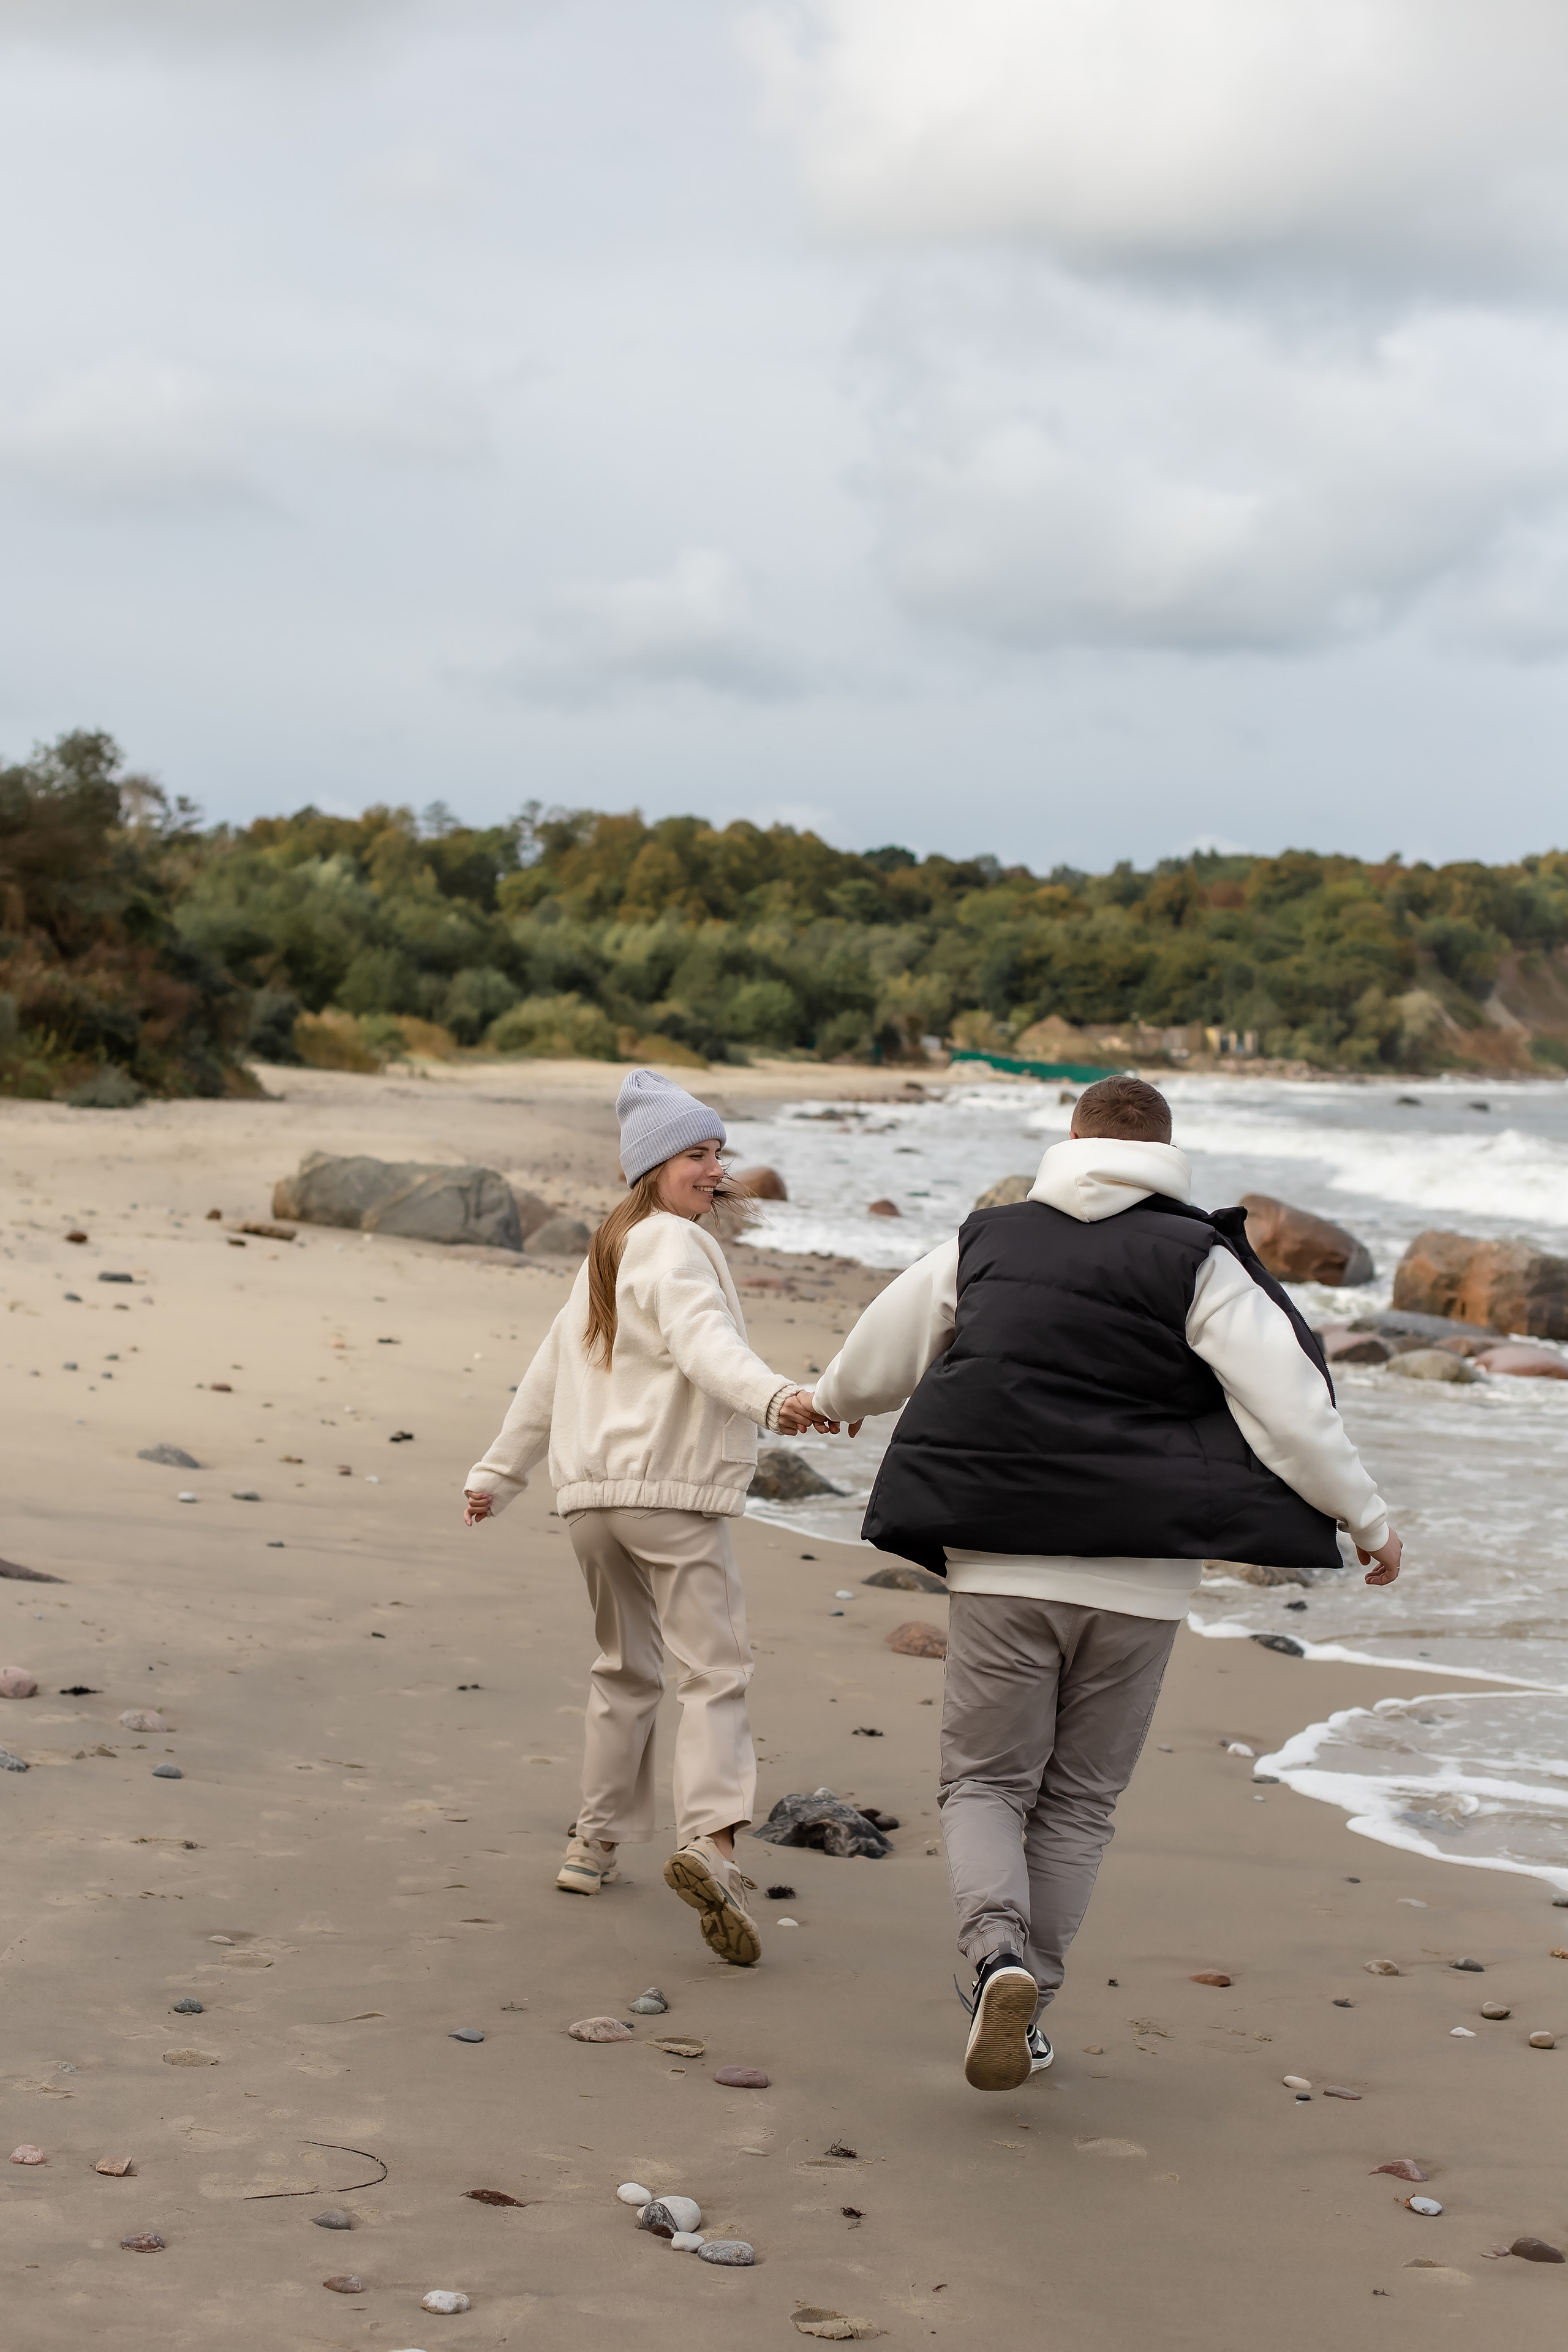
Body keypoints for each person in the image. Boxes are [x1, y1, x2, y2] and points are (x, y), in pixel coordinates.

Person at [810, 1074, 1401, 2091]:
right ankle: (1032, 2001)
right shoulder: (1200, 1257)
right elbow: (1291, 1410)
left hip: (1003, 1563)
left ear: (1070, 1136)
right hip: (1141, 1583)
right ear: (1171, 1154)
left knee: (987, 1783)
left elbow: (881, 1350)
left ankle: (998, 1958)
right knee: (1078, 1804)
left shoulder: (990, 1238)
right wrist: (1369, 1519)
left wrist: (831, 1401)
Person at [462, 1067, 824, 1967]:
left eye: (718, 1155)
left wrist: (497, 1474)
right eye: (696, 1155)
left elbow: (548, 1378)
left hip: (591, 1502)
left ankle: (593, 1846)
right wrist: (779, 1399)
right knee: (715, 1670)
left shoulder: (609, 1250)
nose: (714, 1171)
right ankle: (712, 1844)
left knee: (624, 1671)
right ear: (654, 1165)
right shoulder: (674, 1248)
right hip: (667, 1496)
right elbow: (709, 1347)